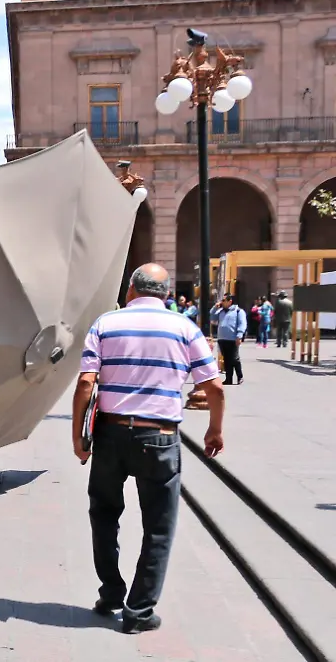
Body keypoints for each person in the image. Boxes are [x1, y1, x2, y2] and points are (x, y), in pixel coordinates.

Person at [74, 263, 225, 634]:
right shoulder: (185, 327)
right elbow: (215, 387)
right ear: (166, 294)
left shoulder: (105, 324)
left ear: (130, 291)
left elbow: (85, 382)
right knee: (158, 525)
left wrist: (78, 437)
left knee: (104, 515)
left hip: (110, 434)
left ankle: (111, 593)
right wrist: (214, 431)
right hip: (159, 437)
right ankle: (139, 611)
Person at [211, 294, 247, 385]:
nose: (221, 302)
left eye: (223, 300)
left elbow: (242, 324)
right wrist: (215, 308)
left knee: (234, 359)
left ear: (230, 301)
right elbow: (212, 318)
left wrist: (239, 335)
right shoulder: (220, 311)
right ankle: (228, 378)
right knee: (226, 360)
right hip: (222, 338)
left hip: (233, 339)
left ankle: (240, 376)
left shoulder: (238, 311)